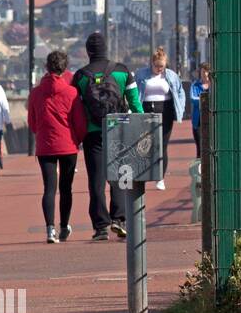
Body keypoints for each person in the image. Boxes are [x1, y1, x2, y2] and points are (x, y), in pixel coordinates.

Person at [72, 31, 143, 241]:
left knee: (96, 180)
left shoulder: (81, 76)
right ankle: (119, 219)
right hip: (119, 129)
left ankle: (100, 226)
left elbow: (76, 109)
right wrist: (140, 126)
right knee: (120, 176)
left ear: (88, 51)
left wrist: (78, 135)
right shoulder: (122, 72)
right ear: (106, 48)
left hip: (93, 134)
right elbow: (134, 102)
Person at [28, 50, 87, 244]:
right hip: (68, 145)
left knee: (49, 188)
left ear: (47, 67)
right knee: (66, 188)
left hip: (45, 146)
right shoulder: (71, 92)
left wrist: (42, 133)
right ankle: (64, 226)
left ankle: (49, 230)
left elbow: (32, 122)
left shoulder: (36, 93)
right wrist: (77, 140)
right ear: (65, 68)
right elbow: (79, 122)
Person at [135, 47, 187, 190]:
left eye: (162, 66)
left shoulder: (171, 75)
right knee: (145, 145)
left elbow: (180, 92)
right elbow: (134, 91)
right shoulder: (141, 74)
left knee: (162, 145)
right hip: (145, 111)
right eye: (156, 66)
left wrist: (180, 109)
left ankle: (160, 178)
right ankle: (144, 175)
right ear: (151, 63)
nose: (159, 69)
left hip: (165, 111)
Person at [190, 63, 211, 158]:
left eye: (207, 71)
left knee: (211, 146)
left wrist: (202, 99)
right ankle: (200, 171)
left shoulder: (215, 85)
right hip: (198, 121)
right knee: (200, 147)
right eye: (203, 71)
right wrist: (207, 99)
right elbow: (193, 99)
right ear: (200, 72)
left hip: (212, 119)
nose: (205, 74)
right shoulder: (195, 85)